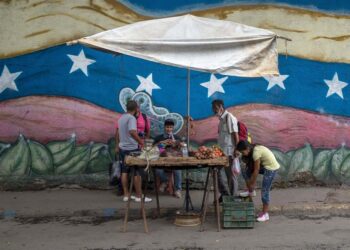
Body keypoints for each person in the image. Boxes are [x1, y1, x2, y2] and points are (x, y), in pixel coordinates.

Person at [116, 100, 152, 203]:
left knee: (124, 171)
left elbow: (119, 132)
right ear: (136, 108)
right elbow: (132, 131)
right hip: (132, 148)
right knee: (137, 172)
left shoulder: (121, 118)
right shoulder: (131, 118)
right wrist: (141, 142)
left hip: (123, 147)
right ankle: (139, 196)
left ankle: (126, 195)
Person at [236, 140, 280, 222]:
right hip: (265, 166)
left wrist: (252, 183)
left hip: (271, 169)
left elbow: (256, 170)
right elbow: (252, 168)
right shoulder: (252, 150)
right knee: (245, 171)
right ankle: (251, 191)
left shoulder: (256, 152)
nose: (242, 154)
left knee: (264, 190)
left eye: (243, 152)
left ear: (247, 149)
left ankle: (265, 214)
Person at [211, 99, 239, 201]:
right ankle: (225, 194)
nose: (213, 110)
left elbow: (235, 135)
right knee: (215, 172)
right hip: (221, 152)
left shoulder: (229, 118)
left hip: (230, 152)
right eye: (213, 108)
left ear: (221, 107)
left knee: (231, 176)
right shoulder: (221, 120)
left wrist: (236, 149)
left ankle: (233, 198)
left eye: (215, 108)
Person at [153, 119, 182, 198]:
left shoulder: (176, 137)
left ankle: (178, 190)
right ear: (164, 127)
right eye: (167, 127)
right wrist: (162, 144)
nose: (169, 129)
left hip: (174, 161)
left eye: (170, 127)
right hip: (162, 160)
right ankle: (165, 181)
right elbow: (154, 149)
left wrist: (175, 144)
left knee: (178, 170)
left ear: (173, 128)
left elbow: (180, 149)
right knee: (158, 170)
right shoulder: (159, 138)